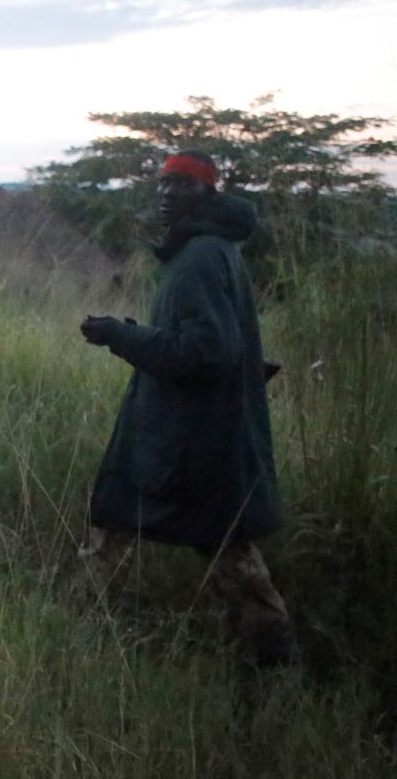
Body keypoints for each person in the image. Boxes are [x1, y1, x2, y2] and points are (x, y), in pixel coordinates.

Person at [78, 149, 292, 666]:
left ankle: (272, 667)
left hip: (189, 439)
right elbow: (222, 346)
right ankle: (81, 640)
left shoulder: (199, 257)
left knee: (224, 552)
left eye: (185, 185)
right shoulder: (215, 250)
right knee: (121, 534)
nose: (169, 194)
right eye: (165, 184)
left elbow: (202, 354)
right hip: (188, 431)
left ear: (209, 193)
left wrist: (118, 336)